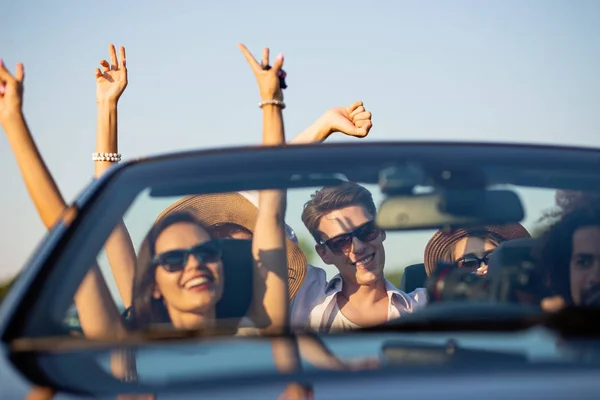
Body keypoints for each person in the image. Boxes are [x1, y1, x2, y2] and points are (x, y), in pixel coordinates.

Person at [291, 182, 428, 333]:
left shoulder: (423, 307)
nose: (358, 247)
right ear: (324, 253)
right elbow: (268, 227)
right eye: (340, 242)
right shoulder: (307, 299)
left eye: (365, 231)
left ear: (381, 229)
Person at [423, 224, 531, 277]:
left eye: (492, 258)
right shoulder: (432, 303)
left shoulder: (525, 299)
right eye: (469, 263)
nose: (483, 268)